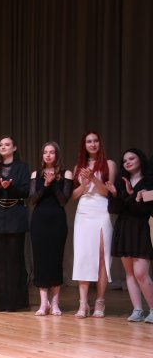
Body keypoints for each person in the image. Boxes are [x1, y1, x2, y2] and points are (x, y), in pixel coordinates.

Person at [71, 131, 116, 318]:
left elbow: (107, 192)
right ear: (84, 145)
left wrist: (93, 178)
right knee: (83, 256)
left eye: (95, 140)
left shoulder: (109, 164)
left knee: (102, 256)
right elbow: (73, 196)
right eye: (89, 141)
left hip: (101, 210)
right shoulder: (78, 167)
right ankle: (83, 304)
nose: (93, 144)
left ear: (100, 143)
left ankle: (99, 301)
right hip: (83, 212)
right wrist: (83, 184)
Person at [107, 148, 153, 322]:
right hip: (124, 228)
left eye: (131, 158)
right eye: (125, 160)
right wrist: (115, 194)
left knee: (141, 273)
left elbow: (144, 210)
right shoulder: (121, 181)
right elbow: (114, 209)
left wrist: (131, 193)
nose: (127, 162)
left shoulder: (149, 182)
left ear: (140, 159)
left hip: (140, 227)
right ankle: (137, 310)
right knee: (130, 273)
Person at [0, 135, 30, 312]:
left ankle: (14, 302)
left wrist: (9, 187)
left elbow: (26, 192)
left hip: (15, 217)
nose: (3, 147)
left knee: (14, 260)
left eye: (7, 144)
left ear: (14, 148)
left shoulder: (21, 167)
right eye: (1, 145)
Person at [28, 142, 73, 316]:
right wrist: (45, 184)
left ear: (57, 155)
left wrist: (53, 183)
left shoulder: (66, 174)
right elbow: (32, 200)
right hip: (39, 221)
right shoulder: (36, 174)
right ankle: (43, 303)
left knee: (55, 260)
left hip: (57, 221)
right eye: (45, 152)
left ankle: (55, 303)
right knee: (40, 260)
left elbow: (63, 201)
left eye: (51, 152)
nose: (48, 155)